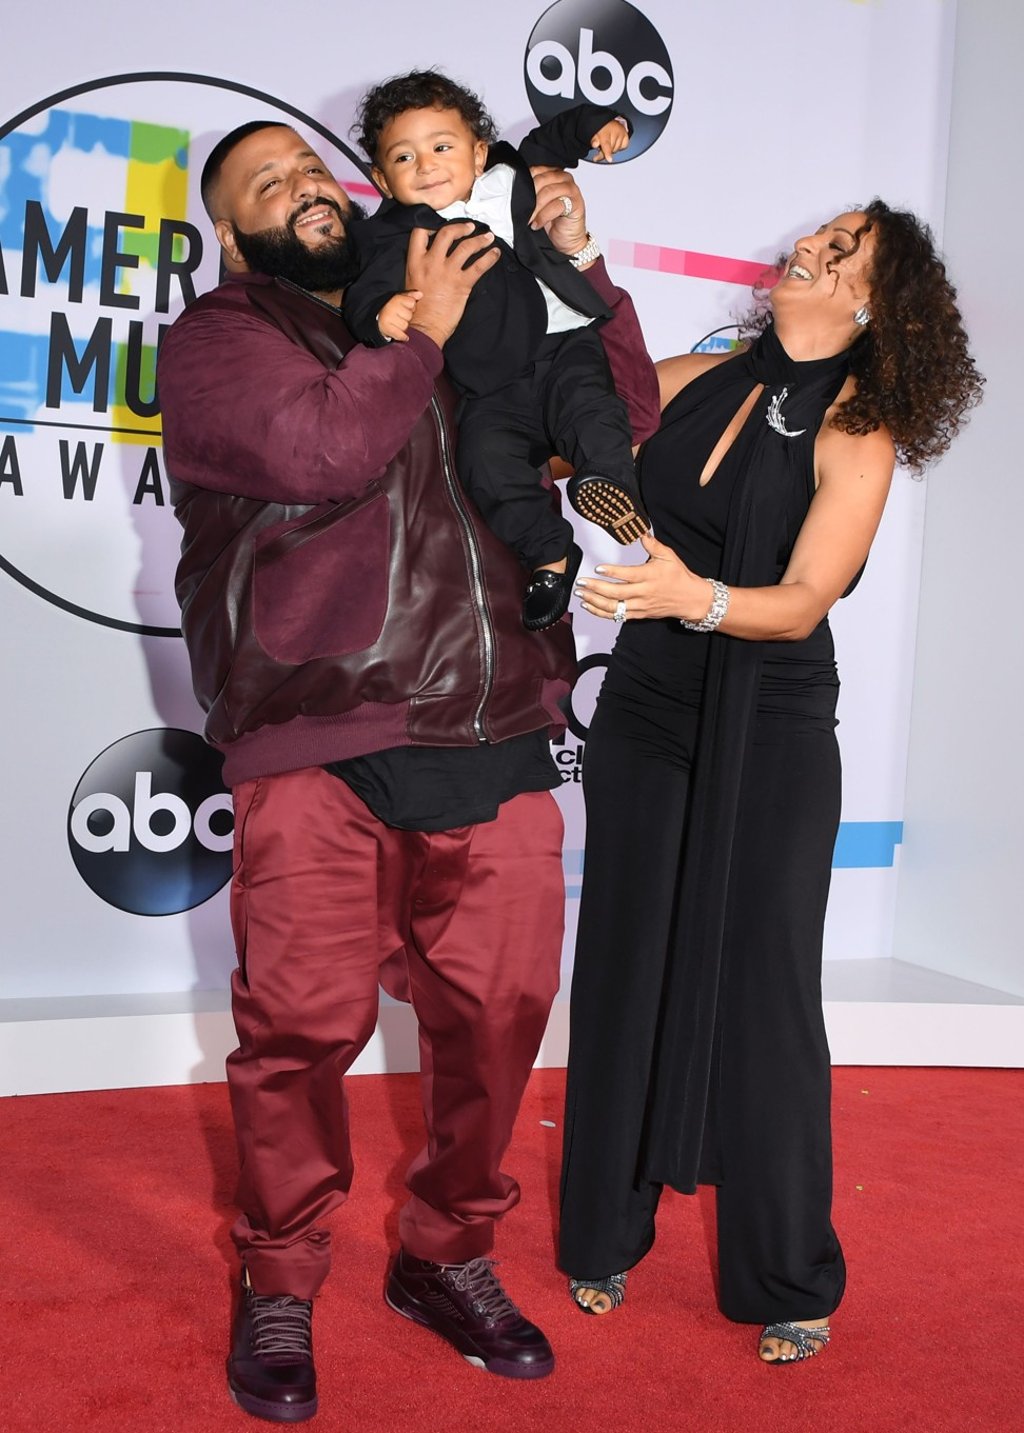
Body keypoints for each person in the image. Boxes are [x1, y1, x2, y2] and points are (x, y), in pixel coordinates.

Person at [157, 120, 658, 1423]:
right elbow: (322, 450)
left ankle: (444, 1254)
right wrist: (420, 333)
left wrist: (577, 270)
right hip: (317, 735)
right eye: (265, 184)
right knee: (300, 1031)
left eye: (309, 169)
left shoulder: (446, 295)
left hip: (493, 727)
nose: (303, 190)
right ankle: (280, 1273)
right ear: (230, 233)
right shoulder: (222, 338)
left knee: (501, 1016)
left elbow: (619, 421)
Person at [558, 201, 982, 1363]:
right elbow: (569, 421)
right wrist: (566, 270)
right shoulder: (689, 374)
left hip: (774, 721)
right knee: (623, 966)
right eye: (820, 233)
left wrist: (686, 595)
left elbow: (799, 602)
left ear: (874, 304)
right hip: (647, 706)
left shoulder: (860, 431)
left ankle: (787, 1272)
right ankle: (601, 1233)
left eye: (843, 251)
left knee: (767, 993)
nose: (812, 247)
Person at [345, 70, 650, 633]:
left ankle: (610, 482)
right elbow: (365, 293)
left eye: (441, 147)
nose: (427, 166)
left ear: (479, 152)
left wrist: (601, 124)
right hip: (490, 382)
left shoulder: (510, 179)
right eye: (405, 158)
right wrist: (379, 316)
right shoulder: (393, 237)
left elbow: (553, 138)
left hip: (564, 343)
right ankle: (549, 555)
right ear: (382, 180)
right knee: (484, 461)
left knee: (592, 411)